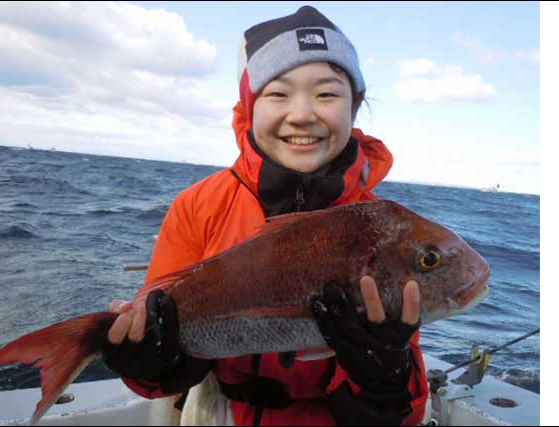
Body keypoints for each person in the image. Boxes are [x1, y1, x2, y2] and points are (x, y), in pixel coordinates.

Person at [102, 6, 429, 426]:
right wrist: (151, 362)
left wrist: (388, 376)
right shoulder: (198, 205)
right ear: (249, 107)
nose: (302, 113)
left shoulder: (384, 232)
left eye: (327, 93)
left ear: (355, 106)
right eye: (277, 93)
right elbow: (165, 369)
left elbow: (400, 415)